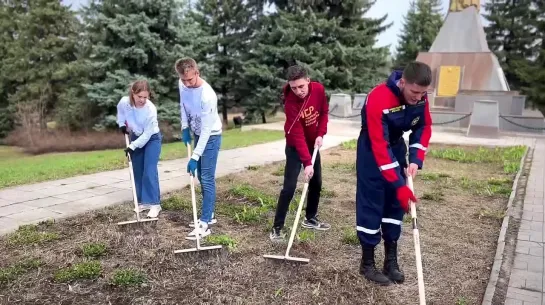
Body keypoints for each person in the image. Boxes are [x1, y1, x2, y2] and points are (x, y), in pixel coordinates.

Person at [356, 61, 433, 286]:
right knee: (371, 203)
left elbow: (423, 126)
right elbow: (379, 144)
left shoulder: (420, 98)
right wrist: (400, 185)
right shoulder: (378, 97)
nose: (418, 98)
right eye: (414, 92)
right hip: (372, 150)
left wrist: (416, 160)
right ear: (402, 82)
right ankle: (367, 263)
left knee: (394, 205)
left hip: (397, 147)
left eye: (423, 93)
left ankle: (391, 261)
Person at [269, 64, 330, 242]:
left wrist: (320, 134)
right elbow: (297, 135)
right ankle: (277, 228)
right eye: (294, 87)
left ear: (308, 81)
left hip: (313, 144)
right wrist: (307, 163)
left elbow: (324, 112)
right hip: (295, 147)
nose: (298, 91)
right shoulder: (291, 103)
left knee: (316, 183)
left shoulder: (318, 90)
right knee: (289, 188)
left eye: (301, 86)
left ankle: (310, 218)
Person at [175, 57, 223, 240]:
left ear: (197, 72)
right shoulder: (182, 84)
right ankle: (208, 213)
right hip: (196, 133)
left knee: (206, 177)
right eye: (184, 80)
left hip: (210, 136)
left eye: (191, 79)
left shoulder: (207, 95)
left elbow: (206, 130)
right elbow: (183, 105)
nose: (187, 84)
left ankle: (204, 223)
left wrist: (195, 156)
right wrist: (184, 127)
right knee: (202, 176)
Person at [116, 80, 163, 218]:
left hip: (152, 139)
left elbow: (148, 134)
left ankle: (155, 204)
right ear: (133, 93)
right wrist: (121, 124)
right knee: (137, 171)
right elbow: (121, 113)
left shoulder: (150, 109)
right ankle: (143, 202)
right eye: (139, 96)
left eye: (145, 97)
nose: (142, 100)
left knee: (149, 170)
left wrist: (132, 146)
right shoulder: (125, 102)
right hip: (136, 136)